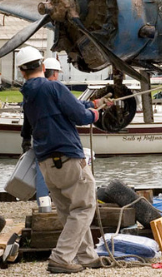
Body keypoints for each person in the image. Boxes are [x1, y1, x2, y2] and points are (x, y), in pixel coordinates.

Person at [16, 46, 110, 274]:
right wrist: (95, 113)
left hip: (47, 164)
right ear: (43, 66)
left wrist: (92, 104)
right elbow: (79, 116)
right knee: (85, 208)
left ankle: (86, 256)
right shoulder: (54, 87)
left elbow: (27, 131)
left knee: (70, 211)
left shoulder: (28, 98)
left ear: (22, 71)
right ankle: (61, 257)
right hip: (68, 158)